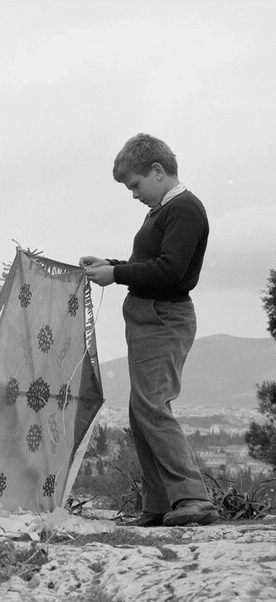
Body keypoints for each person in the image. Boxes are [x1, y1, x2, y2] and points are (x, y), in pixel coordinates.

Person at [80, 133, 219, 527]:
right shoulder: (161, 210)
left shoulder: (185, 209)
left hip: (163, 316)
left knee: (152, 406)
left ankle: (192, 497)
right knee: (141, 410)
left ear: (158, 171)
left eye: (135, 185)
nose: (134, 194)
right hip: (148, 317)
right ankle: (159, 504)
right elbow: (152, 263)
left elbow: (171, 271)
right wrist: (110, 264)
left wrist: (116, 274)